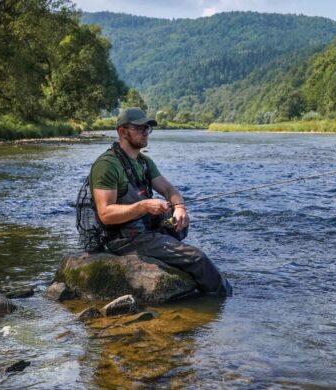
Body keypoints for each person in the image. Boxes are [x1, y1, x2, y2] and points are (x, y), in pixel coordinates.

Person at [89, 107, 231, 296]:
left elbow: (169, 190)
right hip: (124, 239)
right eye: (139, 128)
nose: (145, 133)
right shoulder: (106, 165)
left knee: (179, 223)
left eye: (147, 128)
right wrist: (144, 206)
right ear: (122, 131)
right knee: (197, 258)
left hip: (144, 228)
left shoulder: (144, 161)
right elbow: (105, 215)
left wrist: (179, 207)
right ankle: (222, 299)